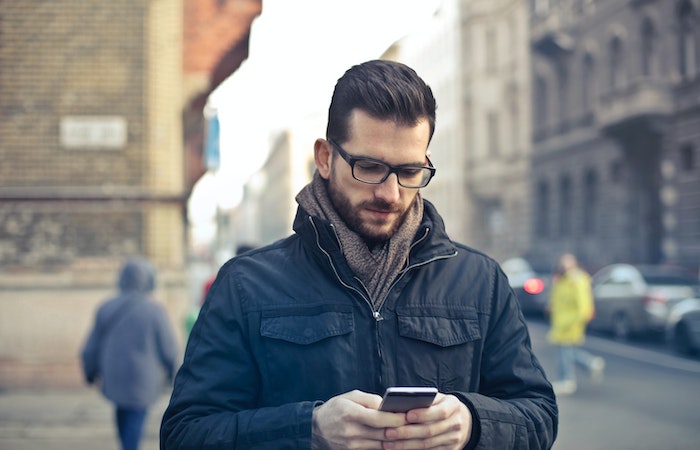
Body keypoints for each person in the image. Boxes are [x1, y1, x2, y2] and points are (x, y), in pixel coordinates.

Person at [161, 59, 557, 449]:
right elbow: (185, 434)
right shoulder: (245, 284)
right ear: (325, 158)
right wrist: (308, 429)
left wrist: (473, 422)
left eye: (409, 171)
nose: (389, 193)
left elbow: (539, 415)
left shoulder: (481, 280)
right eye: (369, 167)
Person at [81, 257, 179, 450]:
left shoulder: (106, 307)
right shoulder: (154, 310)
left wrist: (90, 371)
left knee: (122, 412)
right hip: (142, 378)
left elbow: (91, 346)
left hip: (114, 375)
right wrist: (173, 373)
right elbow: (168, 347)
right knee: (135, 417)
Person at [547, 253, 605, 396]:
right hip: (561, 321)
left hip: (570, 322)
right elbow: (557, 299)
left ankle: (567, 379)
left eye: (566, 262)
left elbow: (584, 306)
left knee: (564, 351)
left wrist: (575, 320)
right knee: (566, 351)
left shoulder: (577, 280)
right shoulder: (562, 279)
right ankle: (591, 363)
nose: (563, 265)